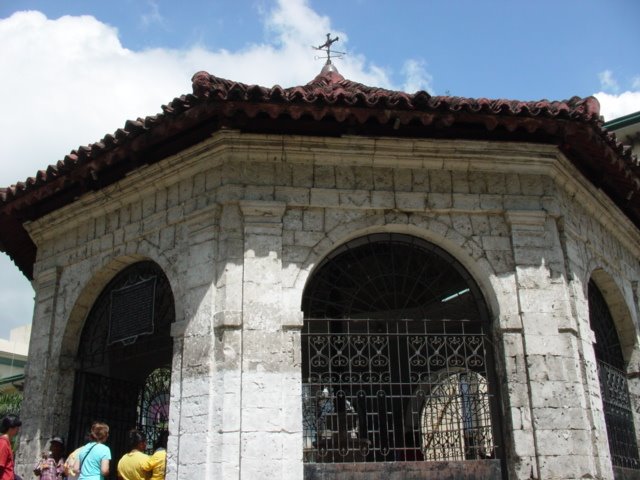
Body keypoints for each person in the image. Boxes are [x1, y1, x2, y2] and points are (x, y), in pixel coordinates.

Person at [0, 414, 21, 480]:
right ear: (10, 428)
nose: (18, 429)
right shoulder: (3, 443)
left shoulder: (7, 443)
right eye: (17, 427)